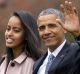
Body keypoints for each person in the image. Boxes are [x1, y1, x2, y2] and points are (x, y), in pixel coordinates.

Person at [33, 1, 80, 74]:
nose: (46, 32)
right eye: (42, 28)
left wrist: (78, 34)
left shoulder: (76, 52)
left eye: (52, 26)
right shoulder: (37, 64)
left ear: (64, 28)